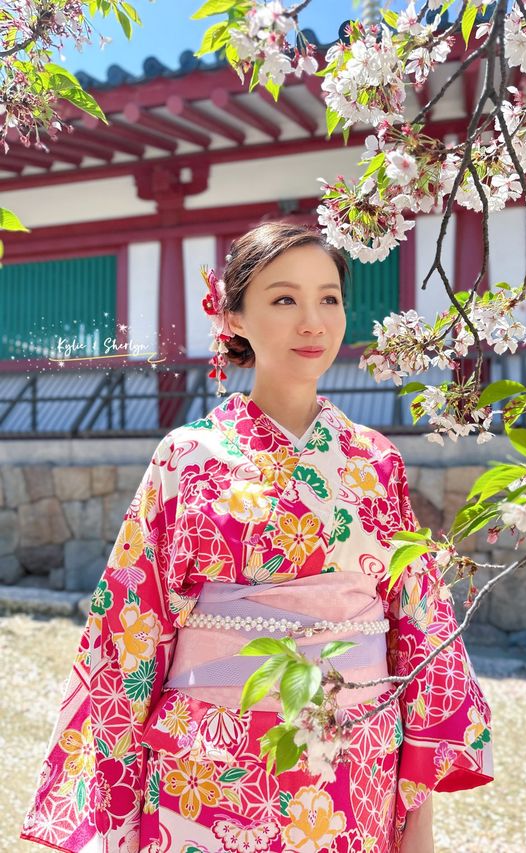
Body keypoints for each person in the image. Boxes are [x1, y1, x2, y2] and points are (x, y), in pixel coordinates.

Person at [21, 221, 493, 853]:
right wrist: (113, 807)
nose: (313, 322)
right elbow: (130, 627)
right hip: (211, 763)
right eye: (284, 299)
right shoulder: (187, 457)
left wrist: (420, 820)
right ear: (233, 316)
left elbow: (420, 633)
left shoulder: (377, 461)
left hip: (353, 757)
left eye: (329, 298)